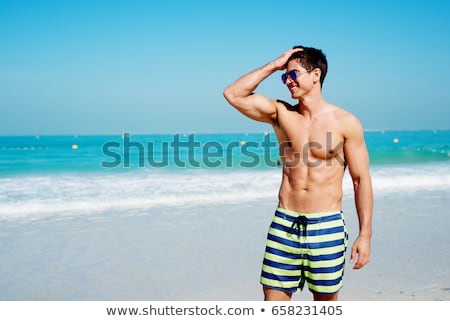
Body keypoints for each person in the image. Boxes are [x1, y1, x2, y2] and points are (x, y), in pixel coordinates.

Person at [223, 46, 373, 301]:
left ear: (316, 75)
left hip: (327, 226)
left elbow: (360, 181)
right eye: (285, 76)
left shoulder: (345, 122)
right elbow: (233, 94)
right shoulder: (281, 114)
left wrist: (365, 234)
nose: (287, 81)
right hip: (284, 225)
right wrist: (275, 64)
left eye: (293, 74)